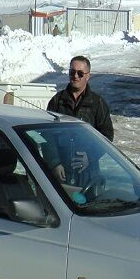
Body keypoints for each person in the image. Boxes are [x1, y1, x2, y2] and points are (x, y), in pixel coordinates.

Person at [46, 56, 114, 185]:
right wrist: (54, 163)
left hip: (89, 173)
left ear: (88, 76)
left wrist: (91, 157)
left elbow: (107, 136)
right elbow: (46, 136)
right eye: (72, 72)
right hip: (61, 173)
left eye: (80, 73)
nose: (75, 76)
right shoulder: (57, 101)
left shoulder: (97, 103)